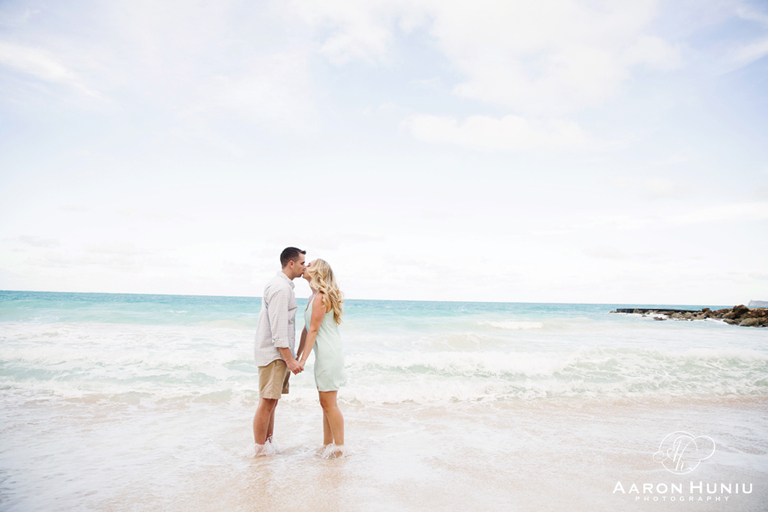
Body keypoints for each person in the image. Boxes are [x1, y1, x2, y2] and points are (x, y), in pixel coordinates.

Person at [251, 247, 306, 455]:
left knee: (271, 402)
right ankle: (259, 450)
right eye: (302, 263)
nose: (304, 267)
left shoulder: (283, 287)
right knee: (267, 402)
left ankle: (268, 445)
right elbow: (278, 329)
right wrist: (290, 360)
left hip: (276, 354)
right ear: (290, 263)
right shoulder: (281, 289)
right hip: (274, 355)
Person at [297, 258, 347, 457]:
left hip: (329, 354)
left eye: (309, 265)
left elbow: (314, 330)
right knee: (325, 402)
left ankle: (340, 448)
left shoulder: (321, 297)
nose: (305, 266)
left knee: (329, 403)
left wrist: (302, 361)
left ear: (317, 272)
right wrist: (296, 353)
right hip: (325, 354)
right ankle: (328, 445)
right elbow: (307, 328)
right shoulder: (313, 297)